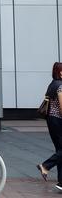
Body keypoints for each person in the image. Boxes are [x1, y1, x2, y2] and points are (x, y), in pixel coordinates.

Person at [38, 61, 62, 191]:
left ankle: (61, 182)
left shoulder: (52, 84)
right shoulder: (60, 86)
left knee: (60, 150)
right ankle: (45, 166)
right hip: (59, 120)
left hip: (52, 120)